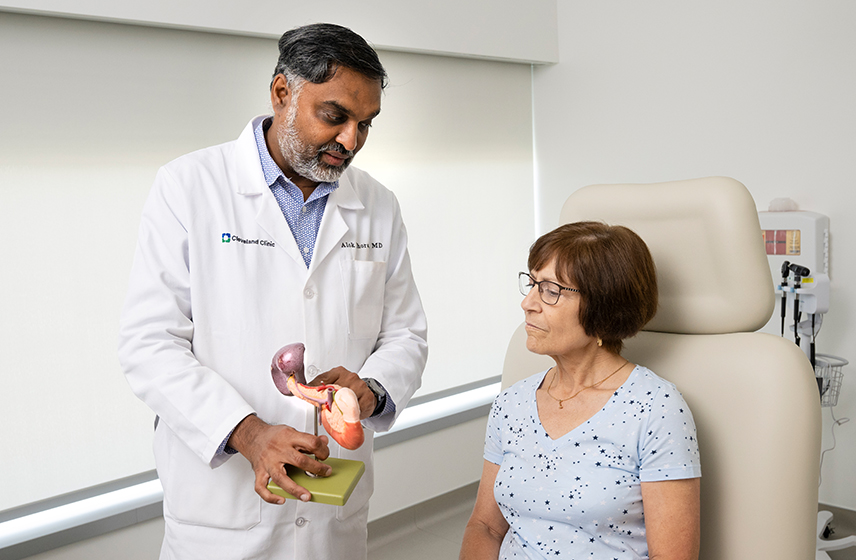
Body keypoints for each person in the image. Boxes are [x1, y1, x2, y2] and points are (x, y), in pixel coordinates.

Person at [118, 23, 428, 560]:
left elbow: (405, 333)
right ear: (282, 92)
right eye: (334, 116)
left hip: (333, 513)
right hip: (221, 517)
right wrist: (247, 432)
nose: (350, 140)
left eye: (365, 124)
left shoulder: (378, 204)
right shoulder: (190, 187)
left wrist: (371, 389)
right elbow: (149, 343)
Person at [460, 222, 701, 560]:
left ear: (604, 307)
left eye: (551, 290)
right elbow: (485, 526)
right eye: (531, 284)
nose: (527, 303)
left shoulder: (655, 409)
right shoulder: (511, 404)